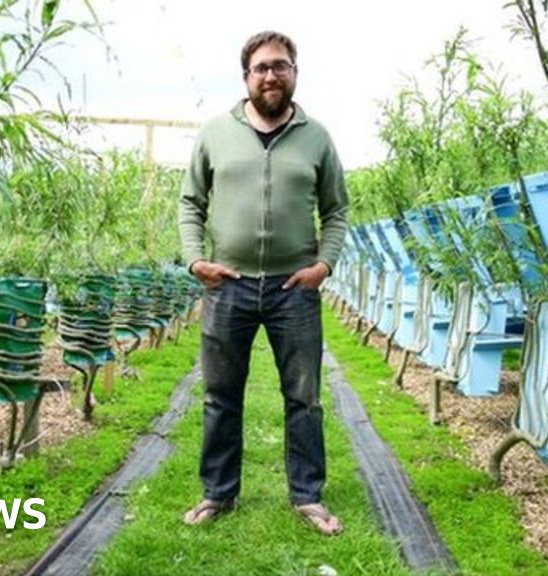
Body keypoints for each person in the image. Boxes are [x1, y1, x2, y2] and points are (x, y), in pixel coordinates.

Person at [178, 30, 350, 536]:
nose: (271, 75)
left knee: (304, 396)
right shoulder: (215, 134)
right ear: (246, 77)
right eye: (261, 68)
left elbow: (337, 208)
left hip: (293, 289)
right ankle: (217, 493)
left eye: (280, 66)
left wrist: (325, 264)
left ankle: (307, 495)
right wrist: (195, 261)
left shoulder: (317, 137)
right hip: (226, 285)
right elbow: (190, 203)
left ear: (295, 72)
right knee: (220, 395)